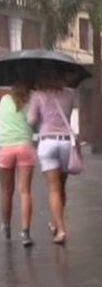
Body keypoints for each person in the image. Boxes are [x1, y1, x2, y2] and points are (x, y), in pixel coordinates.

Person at [27, 72, 75, 245]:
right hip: (66, 144)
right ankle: (55, 222)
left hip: (47, 142)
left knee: (53, 188)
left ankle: (61, 230)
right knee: (61, 186)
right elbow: (68, 114)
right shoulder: (69, 94)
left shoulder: (38, 95)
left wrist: (41, 118)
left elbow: (31, 120)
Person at [0, 81, 36, 247]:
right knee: (25, 191)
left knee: (7, 191)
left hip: (5, 148)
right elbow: (34, 122)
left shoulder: (4, 100)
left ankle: (6, 227)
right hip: (25, 147)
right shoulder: (31, 100)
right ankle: (25, 233)